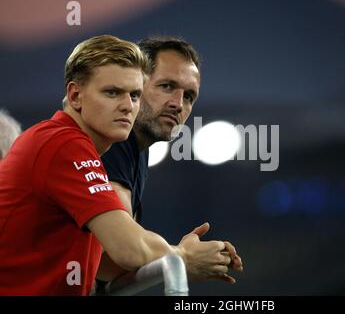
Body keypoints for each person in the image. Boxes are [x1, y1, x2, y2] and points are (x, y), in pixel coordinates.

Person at [0, 35, 233, 295]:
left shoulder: (85, 145)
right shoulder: (64, 144)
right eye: (112, 92)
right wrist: (183, 256)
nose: (127, 106)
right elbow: (127, 249)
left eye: (134, 95)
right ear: (75, 95)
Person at [98, 37, 243, 286]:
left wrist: (182, 256)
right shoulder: (111, 140)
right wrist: (183, 258)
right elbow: (119, 252)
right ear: (135, 84)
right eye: (167, 86)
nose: (178, 104)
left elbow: (107, 265)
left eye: (189, 97)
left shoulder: (138, 149)